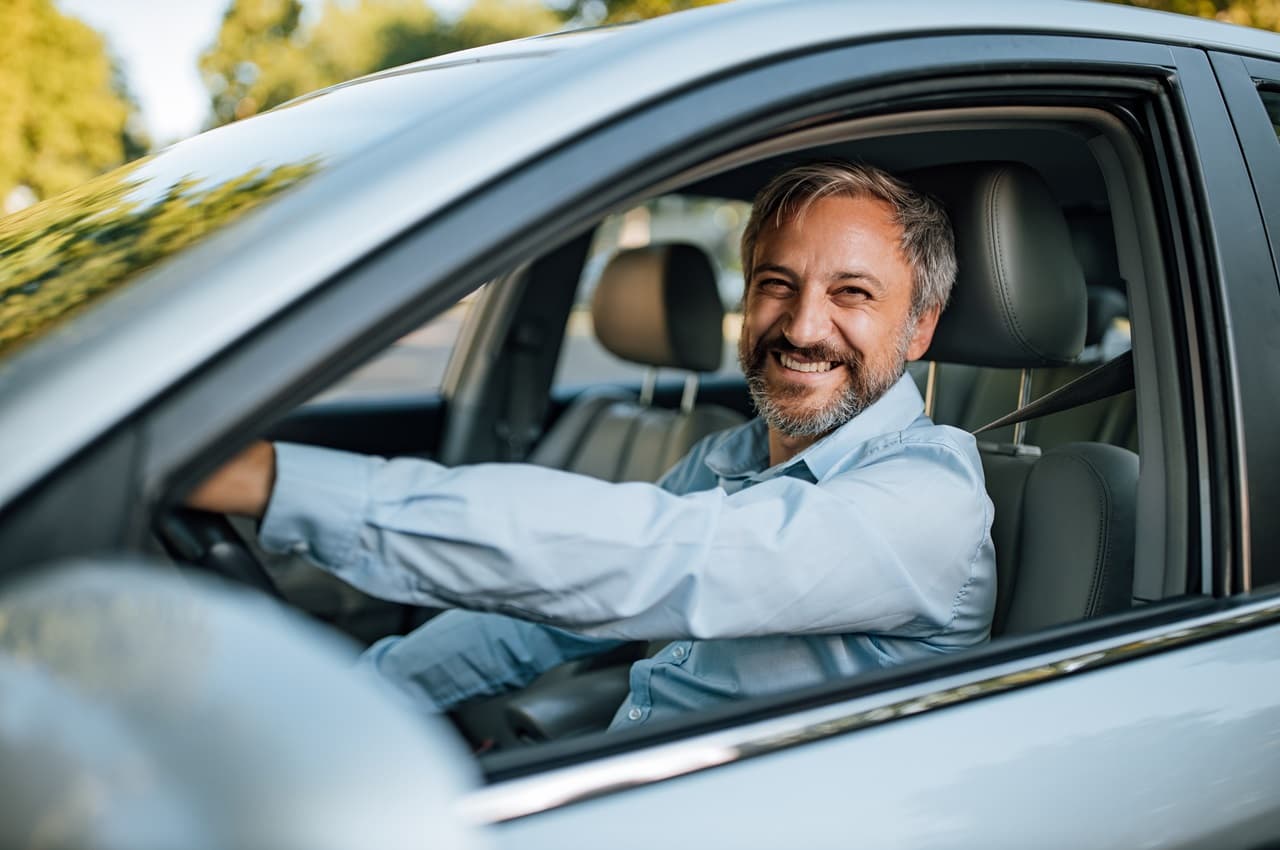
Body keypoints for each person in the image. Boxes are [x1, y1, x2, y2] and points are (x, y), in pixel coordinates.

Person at [190, 161, 997, 731]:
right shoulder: (728, 457)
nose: (802, 325)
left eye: (851, 294)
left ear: (920, 326)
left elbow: (653, 558)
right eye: (776, 284)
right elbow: (528, 625)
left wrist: (272, 480)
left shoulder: (931, 500)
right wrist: (356, 701)